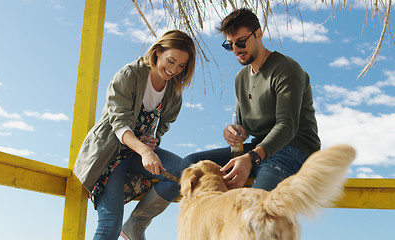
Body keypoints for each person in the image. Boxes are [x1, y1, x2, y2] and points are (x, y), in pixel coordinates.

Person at [73, 30, 196, 240]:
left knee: (183, 173)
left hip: (137, 155)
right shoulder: (130, 75)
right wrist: (143, 148)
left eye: (181, 66)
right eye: (171, 60)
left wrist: (151, 139)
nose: (174, 70)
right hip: (110, 154)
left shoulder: (173, 93)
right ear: (158, 52)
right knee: (110, 224)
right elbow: (118, 123)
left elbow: (163, 126)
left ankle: (136, 224)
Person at [181, 8, 320, 192]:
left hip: (295, 148)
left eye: (241, 42)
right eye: (229, 45)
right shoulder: (241, 78)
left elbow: (287, 126)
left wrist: (251, 158)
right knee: (191, 165)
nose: (236, 50)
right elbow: (241, 124)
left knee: (255, 204)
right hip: (258, 149)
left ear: (259, 34)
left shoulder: (286, 69)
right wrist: (233, 131)